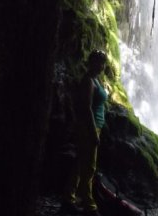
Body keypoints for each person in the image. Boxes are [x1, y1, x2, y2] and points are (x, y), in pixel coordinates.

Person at [63, 50, 108, 216]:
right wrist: (93, 132)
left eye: (103, 63)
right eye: (98, 62)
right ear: (91, 62)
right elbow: (86, 107)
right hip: (89, 128)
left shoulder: (96, 80)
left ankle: (68, 198)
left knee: (79, 164)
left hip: (94, 126)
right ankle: (89, 206)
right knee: (88, 167)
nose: (102, 66)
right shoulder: (88, 81)